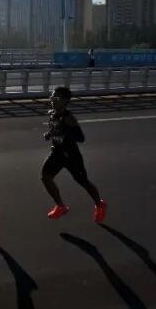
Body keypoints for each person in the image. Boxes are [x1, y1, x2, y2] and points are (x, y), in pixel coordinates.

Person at [41, 86, 107, 222]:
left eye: (56, 98)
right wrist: (50, 134)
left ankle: (100, 205)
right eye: (52, 97)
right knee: (45, 176)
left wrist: (65, 132)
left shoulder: (69, 118)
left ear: (65, 101)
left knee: (83, 182)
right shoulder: (52, 113)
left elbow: (81, 138)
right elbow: (55, 129)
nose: (52, 100)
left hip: (71, 156)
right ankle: (60, 206)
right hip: (57, 153)